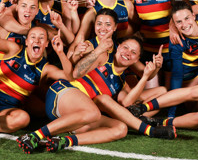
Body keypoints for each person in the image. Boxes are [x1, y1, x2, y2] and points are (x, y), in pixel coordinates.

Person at [16, 35, 175, 153]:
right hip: (62, 93)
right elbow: (76, 72)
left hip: (78, 117)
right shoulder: (103, 57)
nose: (128, 53)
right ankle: (34, 136)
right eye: (125, 47)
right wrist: (98, 49)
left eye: (133, 52)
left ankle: (65, 141)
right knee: (95, 109)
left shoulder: (121, 83)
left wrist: (146, 76)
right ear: (118, 47)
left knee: (120, 128)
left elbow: (127, 104)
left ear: (136, 60)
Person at [0, 0, 71, 149]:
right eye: (33, 37)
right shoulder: (14, 49)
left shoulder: (46, 68)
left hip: (6, 113)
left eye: (42, 38)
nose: (37, 40)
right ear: (27, 41)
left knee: (25, 118)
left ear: (47, 44)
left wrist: (61, 53)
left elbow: (70, 76)